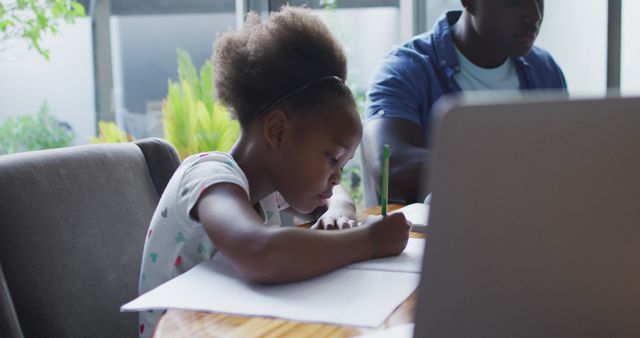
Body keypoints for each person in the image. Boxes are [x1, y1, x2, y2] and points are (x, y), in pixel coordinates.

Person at [137, 6, 411, 337]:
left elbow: (337, 192)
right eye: (331, 158)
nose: (337, 175)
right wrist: (370, 240)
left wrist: (339, 209)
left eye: (343, 164)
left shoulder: (269, 188)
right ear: (278, 131)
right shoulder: (209, 177)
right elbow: (260, 252)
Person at [362, 0, 567, 206]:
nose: (535, 15)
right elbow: (391, 170)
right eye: (514, 1)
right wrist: (510, 164)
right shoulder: (404, 69)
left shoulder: (545, 69)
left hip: (529, 227)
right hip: (434, 236)